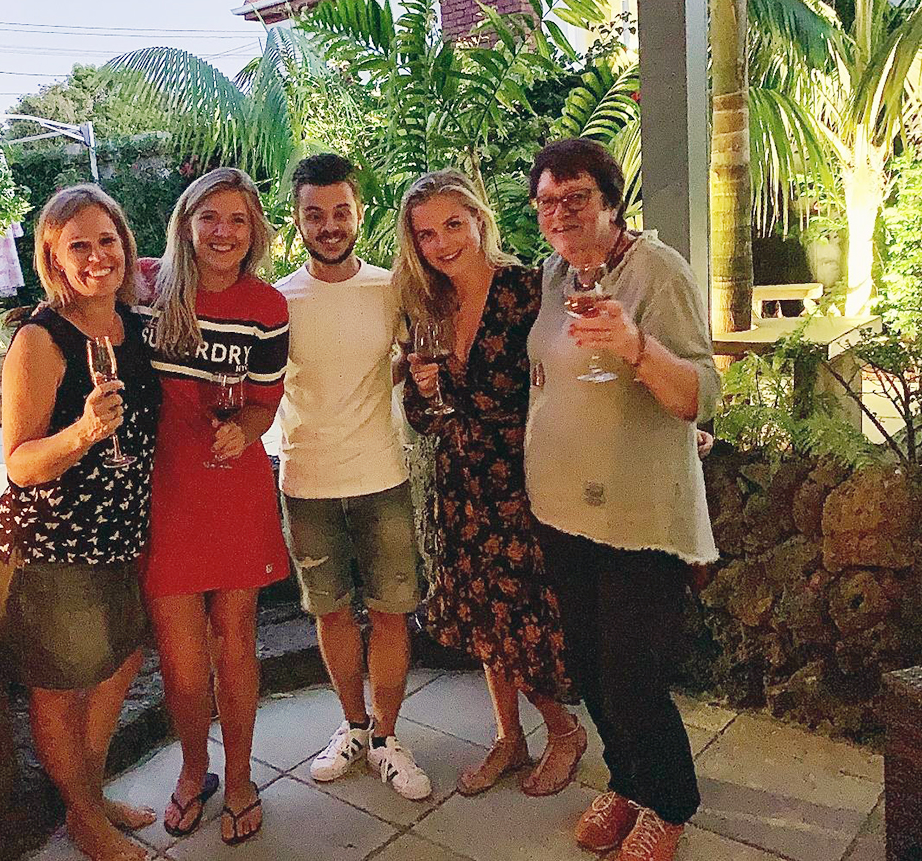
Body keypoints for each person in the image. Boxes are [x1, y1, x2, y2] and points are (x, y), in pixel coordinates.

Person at [524, 138, 720, 861]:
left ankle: (669, 804)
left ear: (612, 202)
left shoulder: (657, 271)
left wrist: (635, 346)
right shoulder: (554, 275)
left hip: (638, 513)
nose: (560, 213)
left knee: (634, 677)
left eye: (576, 197)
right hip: (562, 508)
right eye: (546, 202)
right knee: (591, 670)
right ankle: (628, 782)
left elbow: (699, 397)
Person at [0, 184, 162, 861]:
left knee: (121, 662)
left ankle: (87, 793)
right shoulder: (41, 338)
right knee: (60, 691)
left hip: (117, 541)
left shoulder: (133, 327)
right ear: (53, 258)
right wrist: (85, 431)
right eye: (78, 245)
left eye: (107, 240)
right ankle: (86, 818)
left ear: (126, 246)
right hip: (50, 548)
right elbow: (20, 465)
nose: (96, 256)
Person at [396, 169, 584, 799]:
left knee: (524, 617)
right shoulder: (430, 309)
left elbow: (571, 380)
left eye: (453, 224)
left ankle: (563, 731)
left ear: (480, 220)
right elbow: (425, 419)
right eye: (426, 234)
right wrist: (423, 391)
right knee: (481, 615)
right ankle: (509, 738)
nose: (442, 243)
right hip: (461, 483)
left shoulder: (529, 291)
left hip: (526, 479)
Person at [135, 167, 289, 846]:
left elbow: (264, 403)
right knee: (180, 658)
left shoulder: (267, 306)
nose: (223, 232)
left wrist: (245, 431)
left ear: (254, 230)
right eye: (210, 218)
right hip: (163, 491)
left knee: (236, 642)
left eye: (237, 219)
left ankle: (243, 775)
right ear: (186, 224)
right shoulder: (147, 286)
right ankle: (195, 769)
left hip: (233, 486)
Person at [276, 154, 431, 800]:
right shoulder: (278, 301)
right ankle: (354, 727)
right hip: (306, 481)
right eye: (315, 214)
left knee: (392, 613)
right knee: (332, 613)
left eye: (341, 211)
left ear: (359, 213)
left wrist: (397, 379)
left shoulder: (390, 288)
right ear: (298, 220)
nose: (330, 225)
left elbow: (409, 359)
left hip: (381, 476)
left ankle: (388, 739)